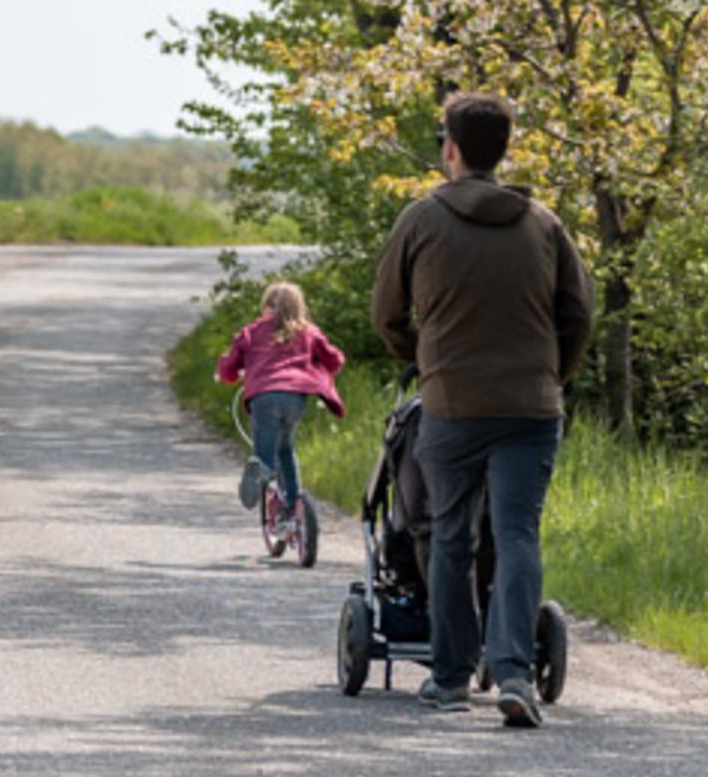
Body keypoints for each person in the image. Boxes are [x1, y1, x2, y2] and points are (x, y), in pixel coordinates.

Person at [369, 91, 594, 726]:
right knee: (518, 534)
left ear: (452, 149)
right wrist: (553, 374)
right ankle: (516, 674)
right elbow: (579, 313)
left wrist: (423, 357)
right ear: (503, 150)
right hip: (531, 406)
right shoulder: (543, 223)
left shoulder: (420, 219)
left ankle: (448, 677)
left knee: (450, 536)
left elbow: (385, 313)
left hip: (452, 405)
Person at [214, 278, 345, 534]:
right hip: (296, 397)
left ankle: (260, 470)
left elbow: (229, 367)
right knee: (286, 448)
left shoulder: (252, 331)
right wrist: (317, 366)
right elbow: (335, 359)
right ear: (299, 307)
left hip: (264, 396)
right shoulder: (308, 332)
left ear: (266, 307)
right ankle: (291, 506)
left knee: (265, 453)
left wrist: (229, 374)